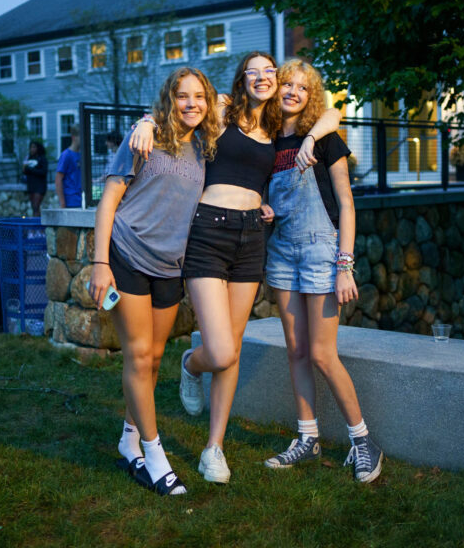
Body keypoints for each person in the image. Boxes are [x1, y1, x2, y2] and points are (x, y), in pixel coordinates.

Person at [130, 51, 341, 484]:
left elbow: (332, 113)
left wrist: (304, 144)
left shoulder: (278, 124)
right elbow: (179, 109)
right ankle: (191, 363)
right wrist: (145, 122)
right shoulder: (223, 108)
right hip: (208, 232)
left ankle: (214, 448)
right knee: (220, 349)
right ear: (242, 77)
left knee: (235, 347)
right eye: (255, 71)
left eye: (270, 72)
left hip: (250, 238)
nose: (263, 78)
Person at [88, 67, 220, 496]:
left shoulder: (204, 144)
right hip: (127, 256)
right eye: (183, 96)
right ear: (169, 99)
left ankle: (129, 438)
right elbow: (109, 201)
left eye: (199, 96)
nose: (192, 104)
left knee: (157, 358)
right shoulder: (143, 139)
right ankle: (153, 453)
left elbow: (237, 101)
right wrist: (99, 263)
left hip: (170, 267)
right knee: (140, 356)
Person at [263, 59, 383, 483]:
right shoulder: (268, 139)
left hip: (321, 250)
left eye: (302, 86)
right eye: (286, 84)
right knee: (295, 350)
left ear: (311, 95)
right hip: (280, 252)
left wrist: (344, 265)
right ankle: (307, 438)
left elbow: (346, 203)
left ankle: (364, 440)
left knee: (321, 353)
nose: (293, 91)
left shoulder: (327, 138)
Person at [55, 125, 81, 208]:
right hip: (70, 201)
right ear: (74, 137)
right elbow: (58, 179)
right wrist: (62, 203)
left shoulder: (82, 155)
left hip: (82, 199)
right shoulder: (66, 155)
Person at [23, 140, 48, 217]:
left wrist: (32, 170)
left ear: (38, 148)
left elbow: (44, 171)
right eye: (30, 147)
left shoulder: (42, 159)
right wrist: (25, 168)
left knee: (36, 206)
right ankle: (35, 225)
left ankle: (37, 226)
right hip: (31, 186)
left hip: (39, 186)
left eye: (34, 147)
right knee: (34, 207)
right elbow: (24, 171)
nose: (32, 149)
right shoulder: (29, 158)